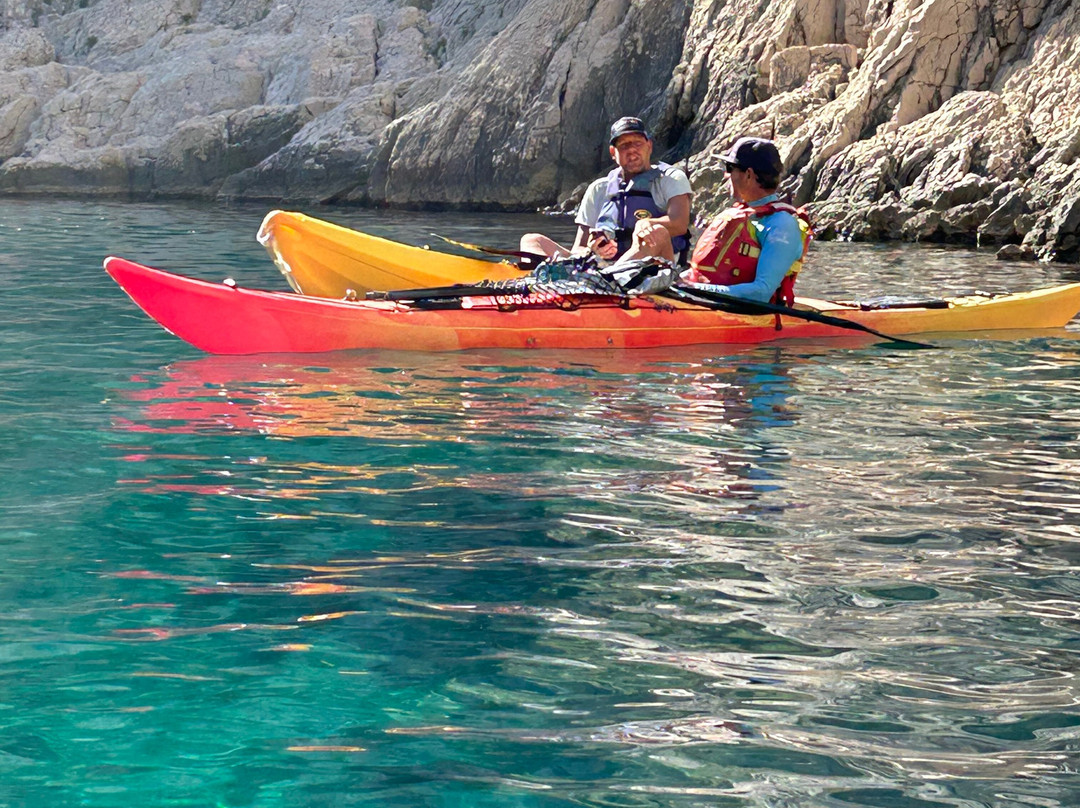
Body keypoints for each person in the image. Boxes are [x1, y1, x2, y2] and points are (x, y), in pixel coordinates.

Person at [521, 117, 692, 264]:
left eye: (638, 143)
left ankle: (608, 278)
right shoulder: (598, 189)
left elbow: (679, 224)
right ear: (613, 152)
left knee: (657, 231)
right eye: (624, 145)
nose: (632, 150)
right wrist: (592, 248)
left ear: (649, 146)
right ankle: (537, 281)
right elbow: (579, 247)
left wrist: (647, 224)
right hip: (604, 266)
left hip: (651, 267)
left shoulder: (670, 179)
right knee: (532, 240)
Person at [682, 137, 811, 305]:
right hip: (703, 300)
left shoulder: (781, 225)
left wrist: (694, 289)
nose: (726, 175)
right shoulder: (740, 213)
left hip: (745, 311)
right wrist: (675, 281)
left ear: (749, 175)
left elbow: (761, 292)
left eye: (730, 168)